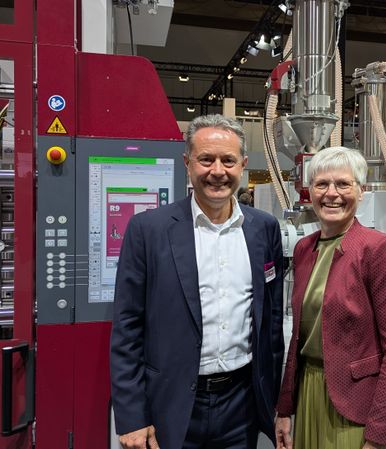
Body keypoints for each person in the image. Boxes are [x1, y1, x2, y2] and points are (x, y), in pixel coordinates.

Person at [110, 114, 284, 449]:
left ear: (243, 165)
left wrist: (273, 399)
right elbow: (127, 328)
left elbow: (271, 322)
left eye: (228, 160)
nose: (217, 171)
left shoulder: (264, 228)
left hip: (242, 404)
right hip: (171, 406)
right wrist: (132, 416)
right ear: (187, 163)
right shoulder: (149, 230)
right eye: (206, 159)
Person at [274, 146, 386, 449]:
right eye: (321, 184)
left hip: (356, 407)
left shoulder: (378, 249)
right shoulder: (304, 250)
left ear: (361, 191)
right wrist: (285, 409)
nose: (331, 193)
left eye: (343, 184)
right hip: (309, 394)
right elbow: (298, 339)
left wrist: (378, 436)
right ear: (309, 191)